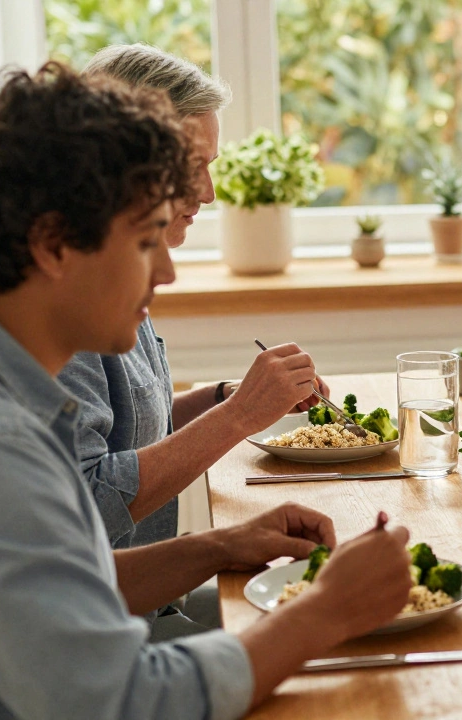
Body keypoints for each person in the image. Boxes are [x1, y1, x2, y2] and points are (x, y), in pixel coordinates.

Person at [0, 63, 413, 720]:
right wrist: (323, 614)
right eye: (145, 239)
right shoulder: (5, 449)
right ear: (51, 244)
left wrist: (222, 545)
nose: (168, 270)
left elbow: (73, 582)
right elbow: (124, 698)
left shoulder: (23, 399)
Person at [56, 45, 328, 637]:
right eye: (192, 165)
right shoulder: (67, 311)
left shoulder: (119, 271)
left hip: (149, 603)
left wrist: (226, 397)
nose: (207, 192)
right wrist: (236, 416)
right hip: (115, 627)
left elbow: (128, 431)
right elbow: (89, 506)